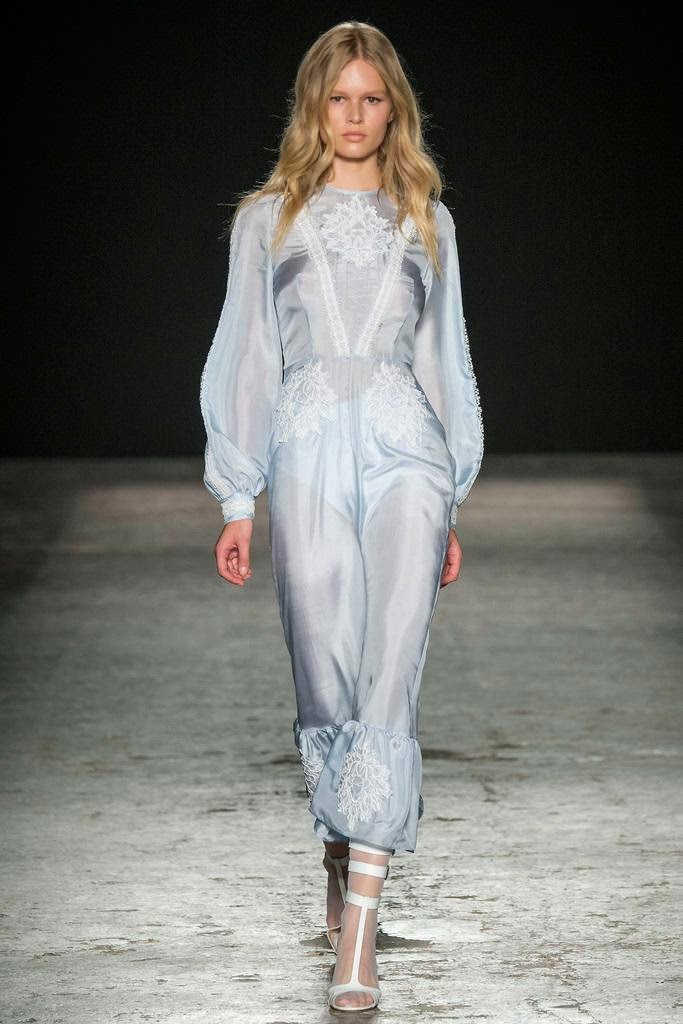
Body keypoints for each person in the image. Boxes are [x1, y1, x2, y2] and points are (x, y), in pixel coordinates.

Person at [199, 19, 484, 1012]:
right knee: (324, 675)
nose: (355, 117)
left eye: (372, 99)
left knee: (388, 671)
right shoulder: (265, 219)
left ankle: (359, 924)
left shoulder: (426, 218)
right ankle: (341, 848)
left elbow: (442, 360)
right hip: (307, 451)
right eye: (338, 99)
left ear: (393, 110)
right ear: (312, 108)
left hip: (408, 457)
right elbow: (246, 354)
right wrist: (237, 495)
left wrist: (450, 498)